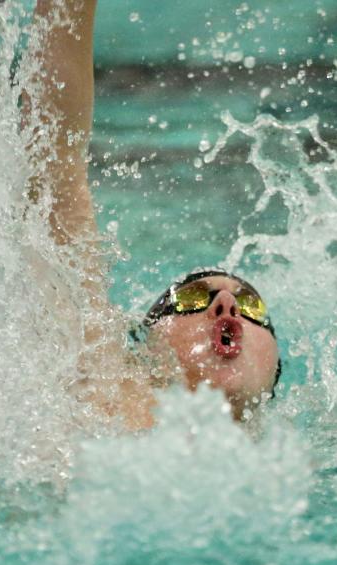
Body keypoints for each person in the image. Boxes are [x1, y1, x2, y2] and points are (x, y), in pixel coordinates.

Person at [26, 0, 281, 429]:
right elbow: (55, 172)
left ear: (276, 369)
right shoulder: (101, 404)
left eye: (252, 306)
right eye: (191, 300)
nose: (225, 305)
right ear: (140, 353)